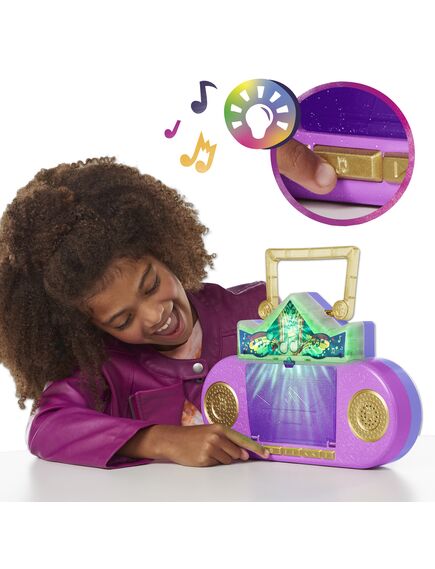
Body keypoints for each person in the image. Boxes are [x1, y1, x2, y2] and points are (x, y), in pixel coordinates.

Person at [0, 157, 270, 469]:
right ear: (90, 328)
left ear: (162, 249)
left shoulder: (258, 309)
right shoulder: (105, 366)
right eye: (123, 320)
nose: (155, 315)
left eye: (152, 285)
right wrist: (159, 440)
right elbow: (46, 428)